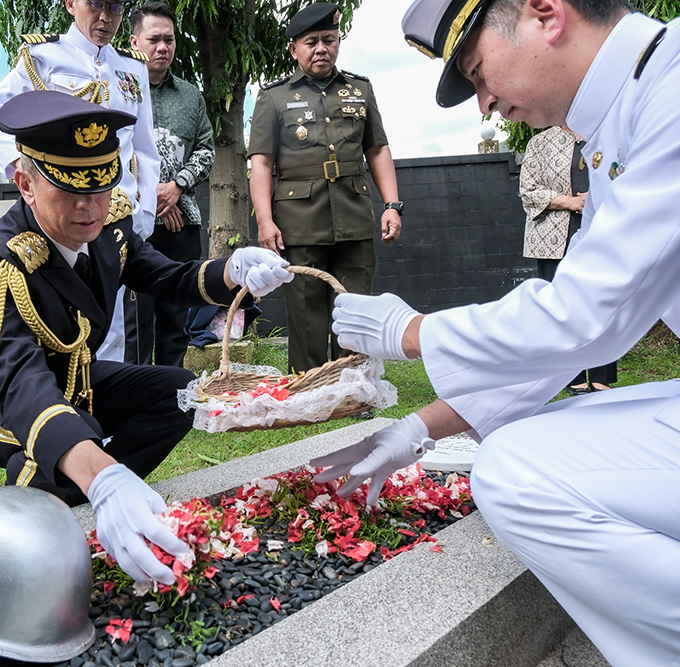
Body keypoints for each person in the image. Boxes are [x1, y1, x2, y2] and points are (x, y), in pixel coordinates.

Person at [318, 0, 680, 663]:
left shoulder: (673, 88)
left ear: (546, 13)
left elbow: (583, 314)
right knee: (525, 440)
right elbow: (585, 332)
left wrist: (411, 331)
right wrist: (418, 428)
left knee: (513, 472)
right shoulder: (632, 108)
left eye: (480, 72)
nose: (484, 103)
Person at [0, 90, 292, 588]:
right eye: (68, 189)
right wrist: (100, 473)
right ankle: (57, 496)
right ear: (24, 183)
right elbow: (20, 381)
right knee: (62, 440)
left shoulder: (107, 225)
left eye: (101, 186)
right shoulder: (0, 265)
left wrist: (232, 271)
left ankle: (100, 490)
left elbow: (165, 276)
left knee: (177, 392)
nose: (89, 207)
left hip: (75, 379)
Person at [0, 0, 160, 365]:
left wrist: (146, 214)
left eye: (115, 6)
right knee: (61, 321)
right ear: (71, 4)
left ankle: (102, 409)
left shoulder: (131, 68)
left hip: (116, 211)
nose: (105, 17)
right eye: (95, 4)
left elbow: (145, 147)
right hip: (63, 212)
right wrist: (31, 177)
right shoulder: (43, 56)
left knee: (111, 326)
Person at [247, 2, 404, 374]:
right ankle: (311, 388)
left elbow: (377, 148)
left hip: (352, 214)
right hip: (298, 220)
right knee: (306, 310)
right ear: (294, 49)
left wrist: (393, 204)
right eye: (312, 41)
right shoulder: (273, 97)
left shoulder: (360, 89)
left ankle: (355, 387)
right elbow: (262, 163)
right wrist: (265, 221)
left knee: (356, 307)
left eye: (329, 40)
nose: (322, 49)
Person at [128, 1, 216, 366]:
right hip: (132, 221)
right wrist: (152, 196)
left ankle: (171, 395)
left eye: (169, 40)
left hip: (182, 220)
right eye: (154, 39)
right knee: (136, 318)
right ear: (135, 42)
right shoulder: (118, 90)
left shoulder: (191, 96)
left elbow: (207, 150)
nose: (162, 47)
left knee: (175, 315)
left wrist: (176, 186)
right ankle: (133, 393)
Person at [520, 124, 617, 394]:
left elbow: (623, 173)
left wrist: (600, 195)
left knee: (602, 302)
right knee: (562, 307)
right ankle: (570, 376)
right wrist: (568, 201)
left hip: (602, 231)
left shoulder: (605, 134)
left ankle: (601, 377)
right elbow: (528, 190)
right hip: (553, 239)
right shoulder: (540, 142)